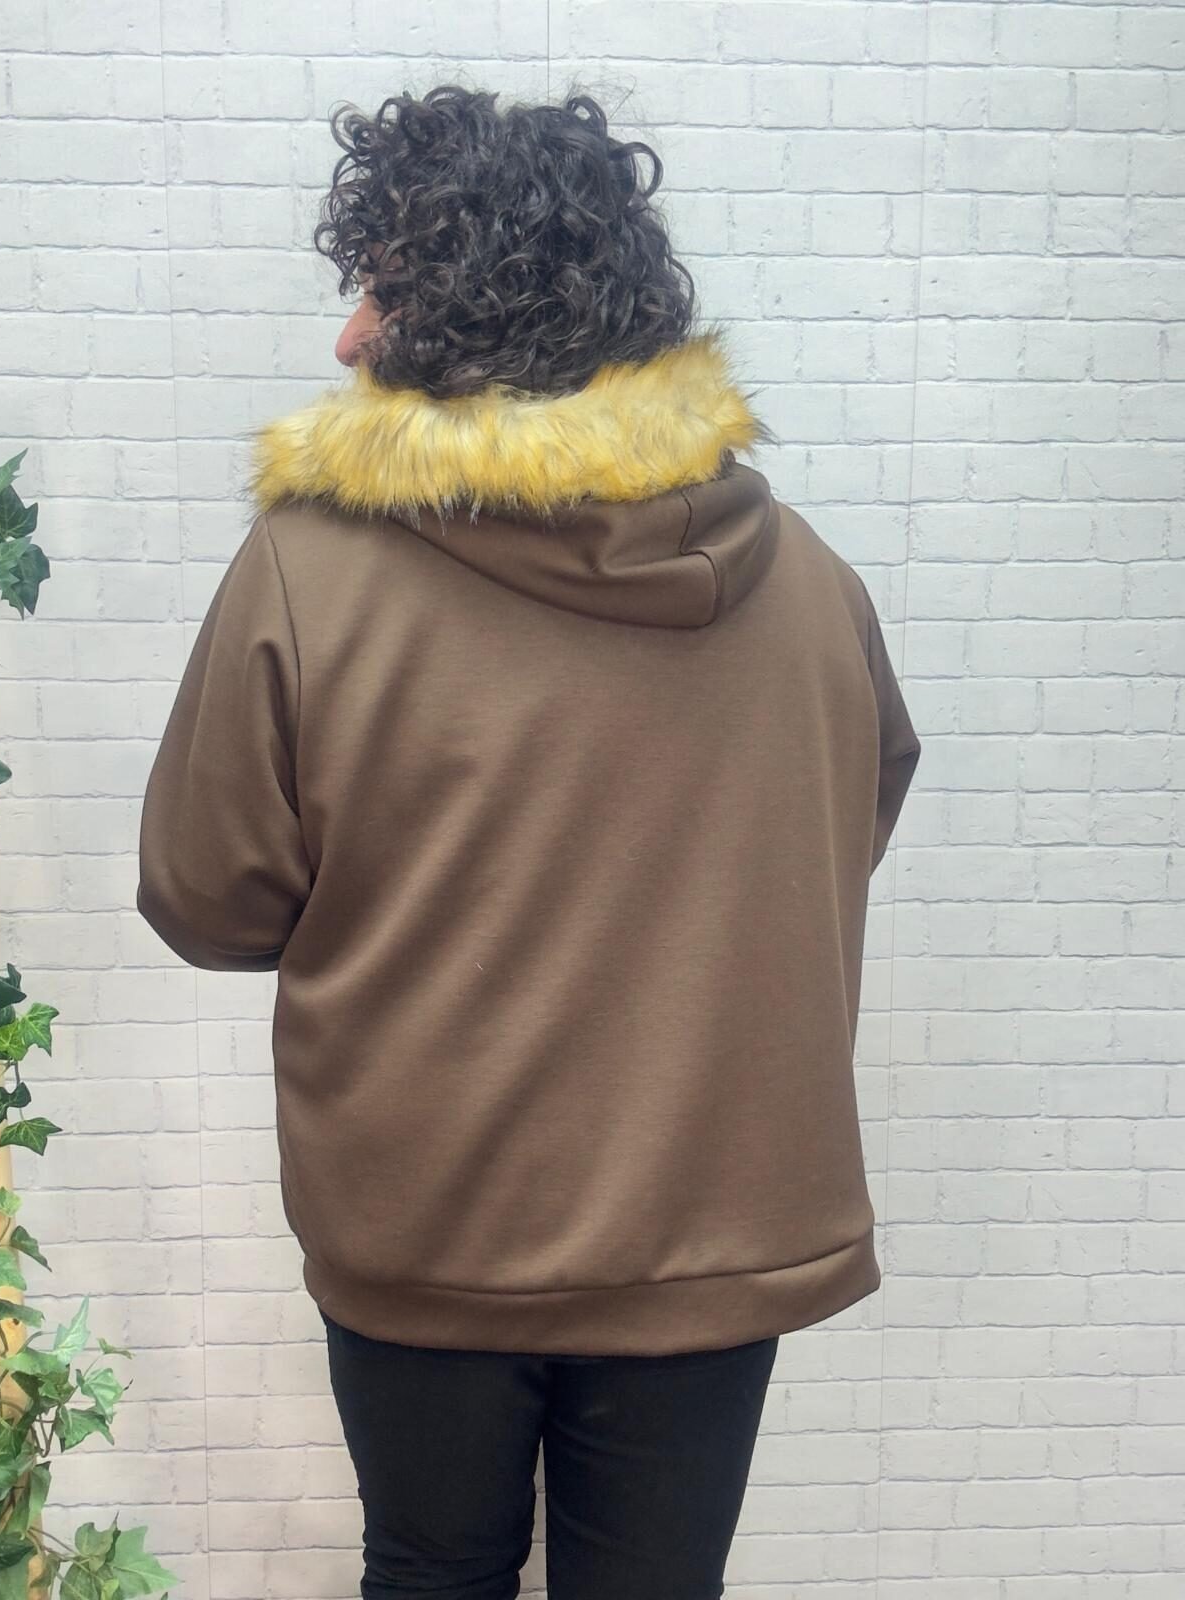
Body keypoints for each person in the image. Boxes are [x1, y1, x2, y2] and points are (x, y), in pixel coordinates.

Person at [137, 84, 921, 1600]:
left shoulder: (310, 571)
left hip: (426, 1222)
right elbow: (857, 812)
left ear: (463, 318)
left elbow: (207, 898)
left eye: (380, 289)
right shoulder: (808, 581)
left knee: (432, 1574)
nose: (349, 337)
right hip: (717, 1220)